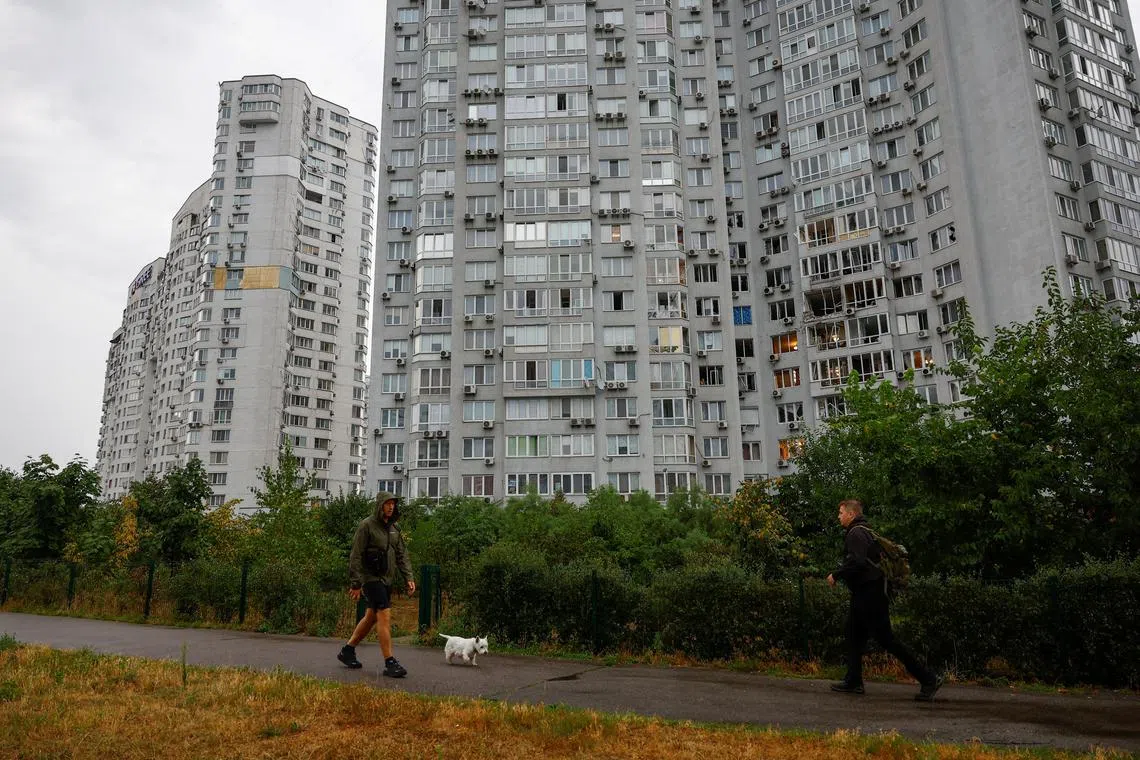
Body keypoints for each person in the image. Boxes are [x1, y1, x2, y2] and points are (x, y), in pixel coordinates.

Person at [827, 499, 943, 701]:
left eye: (840, 513)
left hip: (870, 594)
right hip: (867, 592)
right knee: (853, 634)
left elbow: (858, 562)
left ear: (851, 514)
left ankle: (928, 678)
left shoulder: (855, 533)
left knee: (887, 639)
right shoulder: (865, 531)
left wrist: (836, 575)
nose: (838, 516)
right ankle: (853, 681)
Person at [337, 493, 415, 677]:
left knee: (371, 616)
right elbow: (355, 555)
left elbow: (401, 554)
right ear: (379, 505)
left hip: (386, 579)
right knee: (384, 616)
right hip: (371, 578)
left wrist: (408, 577)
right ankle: (390, 662)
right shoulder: (367, 526)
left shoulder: (395, 528)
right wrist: (356, 582)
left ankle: (347, 651)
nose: (390, 507)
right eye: (387, 504)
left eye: (393, 504)